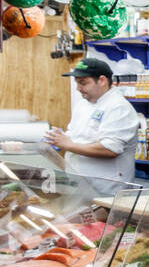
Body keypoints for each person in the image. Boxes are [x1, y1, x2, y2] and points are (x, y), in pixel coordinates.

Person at [44, 57, 139, 192]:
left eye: (83, 83)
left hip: (106, 189)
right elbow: (75, 135)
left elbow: (110, 149)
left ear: (102, 81)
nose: (78, 88)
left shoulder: (118, 107)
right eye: (77, 83)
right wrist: (57, 139)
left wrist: (68, 145)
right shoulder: (83, 104)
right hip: (79, 184)